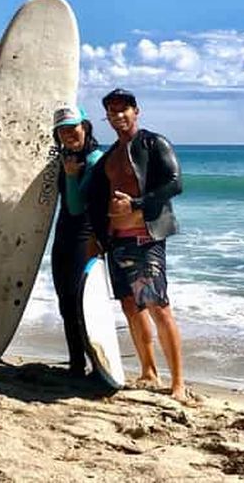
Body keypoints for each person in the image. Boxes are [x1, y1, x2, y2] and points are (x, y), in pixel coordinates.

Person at [86, 88, 186, 401]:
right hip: (117, 242)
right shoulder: (108, 157)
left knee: (159, 307)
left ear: (135, 111)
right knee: (131, 308)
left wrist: (138, 203)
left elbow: (175, 183)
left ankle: (178, 384)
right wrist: (97, 236)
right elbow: (95, 199)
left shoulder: (153, 143)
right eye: (111, 111)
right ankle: (148, 372)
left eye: (123, 109)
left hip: (146, 240)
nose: (117, 115)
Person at [50, 104, 103, 377]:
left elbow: (76, 206)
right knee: (65, 302)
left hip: (83, 236)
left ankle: (96, 363)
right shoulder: (65, 156)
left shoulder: (94, 160)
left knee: (80, 302)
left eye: (74, 128)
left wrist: (70, 176)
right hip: (63, 237)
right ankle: (76, 362)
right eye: (62, 130)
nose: (69, 134)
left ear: (85, 127)